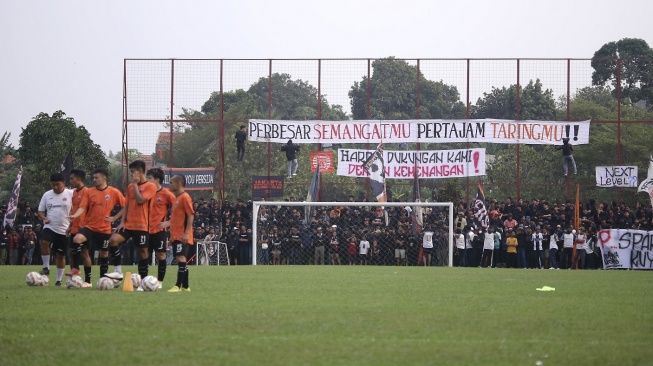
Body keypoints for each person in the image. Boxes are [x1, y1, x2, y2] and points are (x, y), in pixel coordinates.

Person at [72, 168, 125, 282]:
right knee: (77, 239)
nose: (94, 179)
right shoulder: (89, 191)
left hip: (104, 229)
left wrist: (115, 218)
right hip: (89, 226)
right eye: (93, 177)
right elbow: (82, 207)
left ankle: (103, 279)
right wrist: (75, 215)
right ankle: (76, 269)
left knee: (104, 254)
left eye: (96, 177)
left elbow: (125, 206)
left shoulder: (113, 192)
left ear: (104, 178)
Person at [108, 161, 157, 281]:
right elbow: (126, 206)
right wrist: (122, 222)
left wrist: (135, 185)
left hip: (142, 225)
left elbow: (140, 200)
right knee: (113, 241)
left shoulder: (150, 186)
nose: (131, 174)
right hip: (128, 225)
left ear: (140, 172)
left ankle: (144, 280)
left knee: (142, 253)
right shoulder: (130, 187)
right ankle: (118, 272)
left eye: (132, 172)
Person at [37, 173, 74, 286]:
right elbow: (40, 210)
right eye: (53, 185)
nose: (55, 187)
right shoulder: (47, 195)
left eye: (58, 184)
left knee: (61, 255)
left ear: (64, 183)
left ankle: (58, 280)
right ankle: (46, 267)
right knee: (44, 242)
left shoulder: (71, 193)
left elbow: (79, 207)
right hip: (50, 226)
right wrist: (43, 218)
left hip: (64, 229)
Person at [163, 175, 195, 292]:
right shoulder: (177, 198)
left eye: (171, 183)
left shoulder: (185, 197)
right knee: (180, 258)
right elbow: (176, 219)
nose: (169, 185)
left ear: (179, 184)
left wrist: (186, 233)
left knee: (181, 258)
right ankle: (186, 286)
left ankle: (177, 286)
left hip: (182, 235)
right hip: (176, 235)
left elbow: (191, 215)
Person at [147, 168, 176, 287]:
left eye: (149, 178)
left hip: (159, 230)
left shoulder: (167, 194)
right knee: (144, 254)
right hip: (144, 230)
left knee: (161, 255)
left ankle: (159, 282)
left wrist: (169, 222)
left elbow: (178, 209)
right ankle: (143, 281)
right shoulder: (146, 192)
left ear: (157, 180)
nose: (147, 181)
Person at [64, 169, 89, 283]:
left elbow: (83, 209)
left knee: (84, 253)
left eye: (72, 178)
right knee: (71, 253)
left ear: (79, 179)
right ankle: (74, 279)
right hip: (75, 227)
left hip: (83, 228)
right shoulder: (74, 193)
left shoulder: (86, 192)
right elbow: (74, 210)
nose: (70, 181)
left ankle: (88, 281)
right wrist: (70, 226)